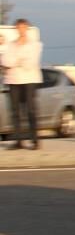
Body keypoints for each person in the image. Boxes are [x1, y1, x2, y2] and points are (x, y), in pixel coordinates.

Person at [2, 19, 43, 150]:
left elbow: (30, 63)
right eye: (18, 27)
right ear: (16, 29)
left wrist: (14, 61)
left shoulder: (35, 45)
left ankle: (35, 140)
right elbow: (5, 61)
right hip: (13, 80)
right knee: (15, 111)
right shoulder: (11, 45)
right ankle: (18, 140)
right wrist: (18, 60)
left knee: (30, 110)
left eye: (23, 27)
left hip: (30, 80)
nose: (21, 30)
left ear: (27, 28)